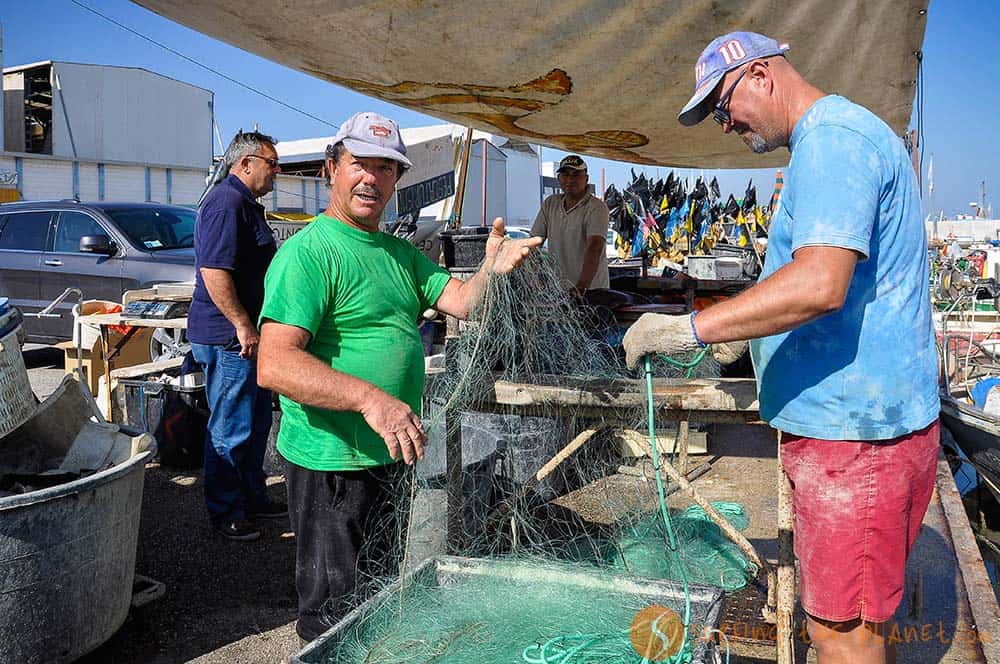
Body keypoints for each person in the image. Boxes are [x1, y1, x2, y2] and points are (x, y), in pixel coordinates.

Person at [623, 32, 939, 663]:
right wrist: (749, 340)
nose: (724, 122)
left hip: (855, 439)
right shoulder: (836, 138)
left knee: (841, 635)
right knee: (856, 623)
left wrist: (688, 329)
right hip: (851, 432)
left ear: (761, 75)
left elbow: (821, 283)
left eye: (723, 104)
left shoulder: (832, 142)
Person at [256, 111, 542, 644]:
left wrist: (490, 269)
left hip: (389, 455)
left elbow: (461, 300)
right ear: (331, 170)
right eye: (360, 164)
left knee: (379, 596)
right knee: (332, 615)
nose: (372, 178)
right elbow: (275, 363)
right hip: (331, 463)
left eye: (386, 168)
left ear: (397, 181)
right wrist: (371, 399)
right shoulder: (307, 254)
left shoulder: (398, 253)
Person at [188, 130, 287, 541]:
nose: (276, 172)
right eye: (271, 163)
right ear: (244, 163)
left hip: (246, 335)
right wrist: (243, 325)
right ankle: (226, 511)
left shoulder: (245, 205)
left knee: (256, 419)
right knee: (231, 425)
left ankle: (252, 498)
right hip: (229, 337)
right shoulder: (226, 203)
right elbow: (214, 272)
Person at [530, 154, 610, 292]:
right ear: (559, 179)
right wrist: (534, 276)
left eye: (576, 174)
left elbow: (595, 246)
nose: (570, 179)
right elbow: (534, 242)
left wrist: (582, 286)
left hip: (592, 291)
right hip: (558, 291)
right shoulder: (550, 204)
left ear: (586, 179)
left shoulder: (597, 207)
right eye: (565, 174)